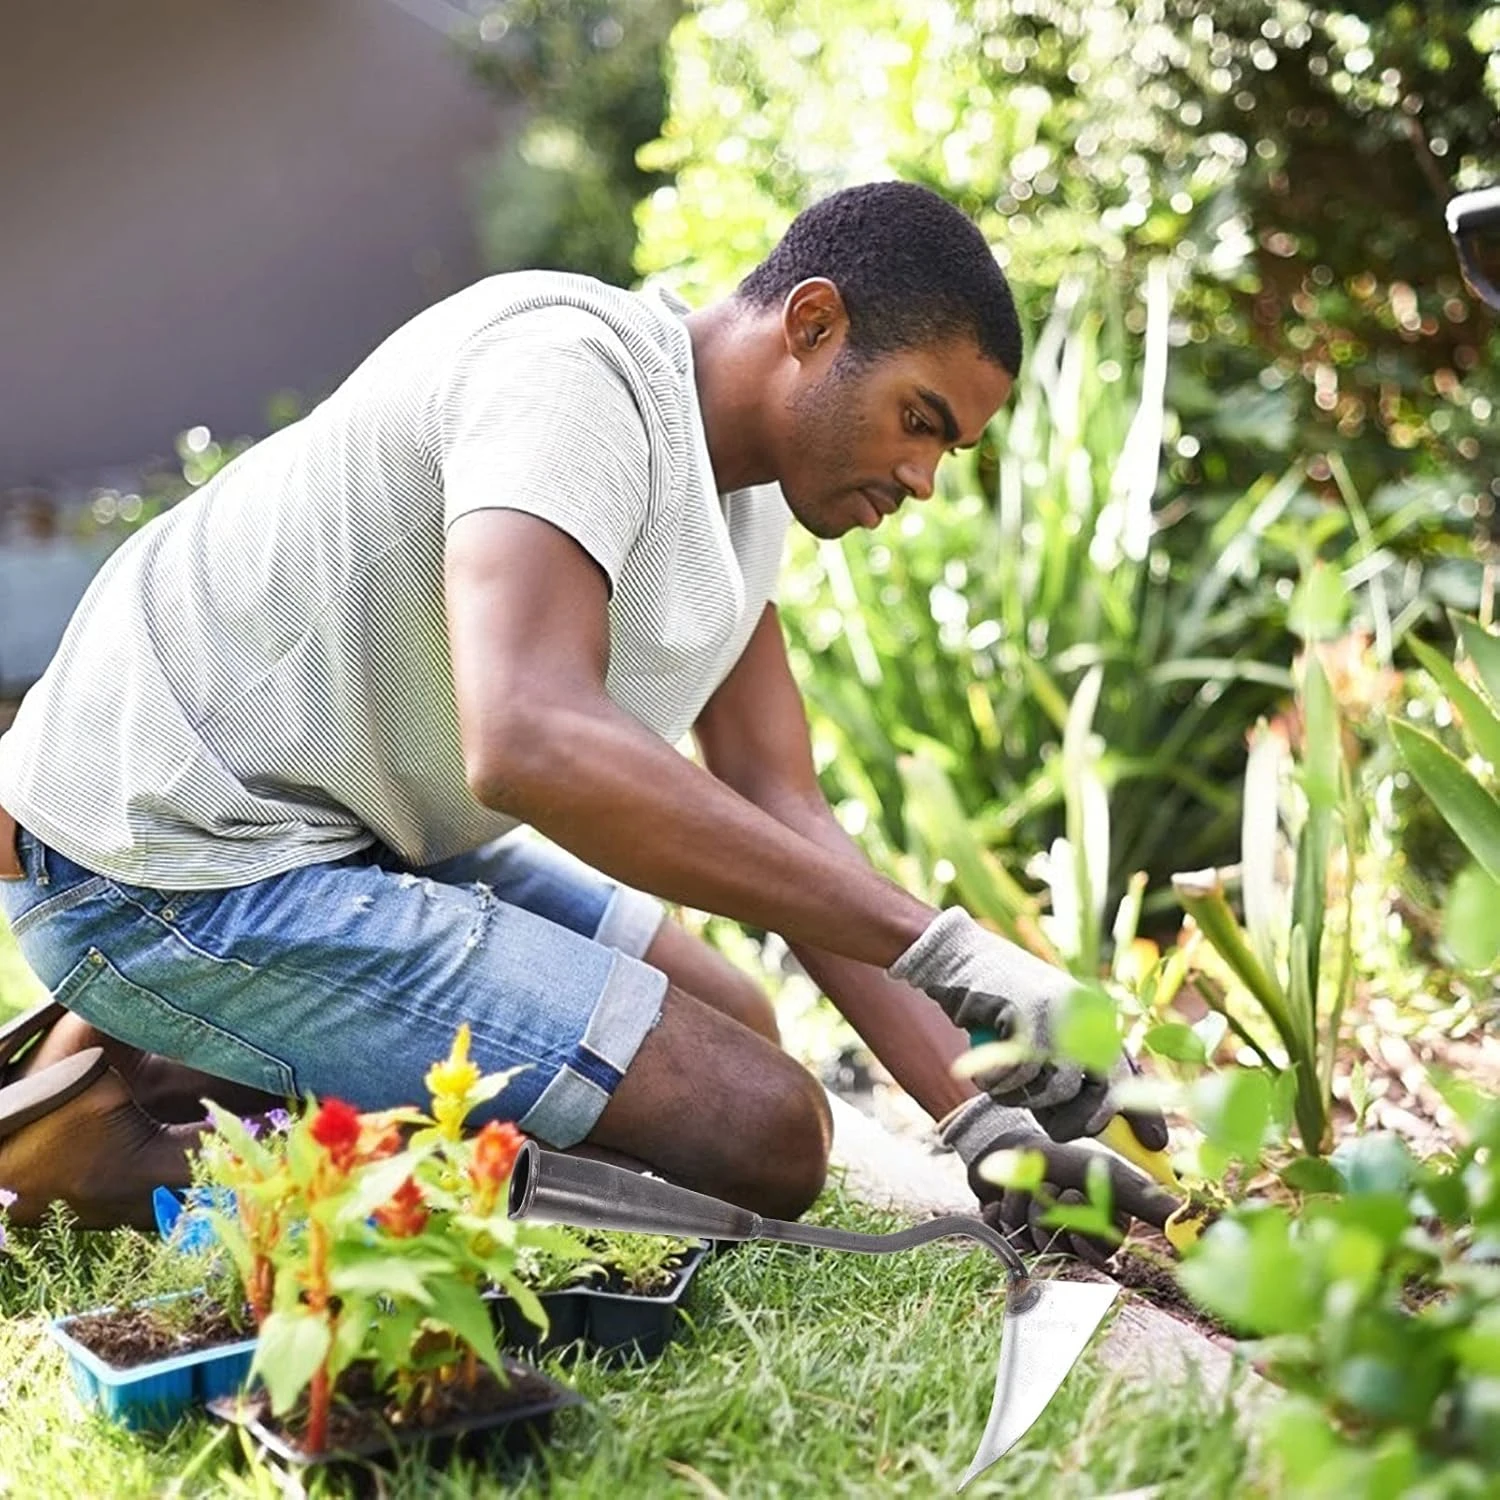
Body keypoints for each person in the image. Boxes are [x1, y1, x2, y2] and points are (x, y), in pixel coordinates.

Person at [0, 181, 1176, 1258]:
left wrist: (979, 1122)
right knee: (764, 1132)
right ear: (813, 324)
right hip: (169, 859)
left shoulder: (741, 501)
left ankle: (137, 1063)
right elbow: (527, 740)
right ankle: (122, 1147)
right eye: (921, 419)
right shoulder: (572, 375)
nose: (926, 479)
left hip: (340, 834)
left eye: (951, 448)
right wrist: (951, 947)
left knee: (738, 1015)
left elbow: (780, 804)